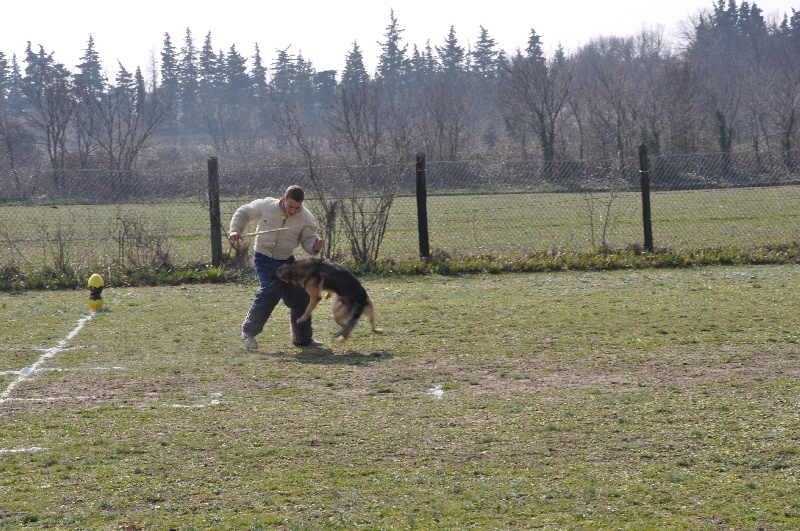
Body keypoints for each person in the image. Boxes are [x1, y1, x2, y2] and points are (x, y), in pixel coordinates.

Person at [228, 185, 325, 350]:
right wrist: (235, 230)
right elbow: (244, 213)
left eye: (297, 208)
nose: (293, 211)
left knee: (301, 297)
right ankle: (248, 332)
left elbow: (308, 238)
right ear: (283, 199)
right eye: (290, 206)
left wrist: (314, 246)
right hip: (263, 257)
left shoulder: (306, 217)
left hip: (286, 261)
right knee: (271, 289)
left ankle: (303, 339)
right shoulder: (267, 205)